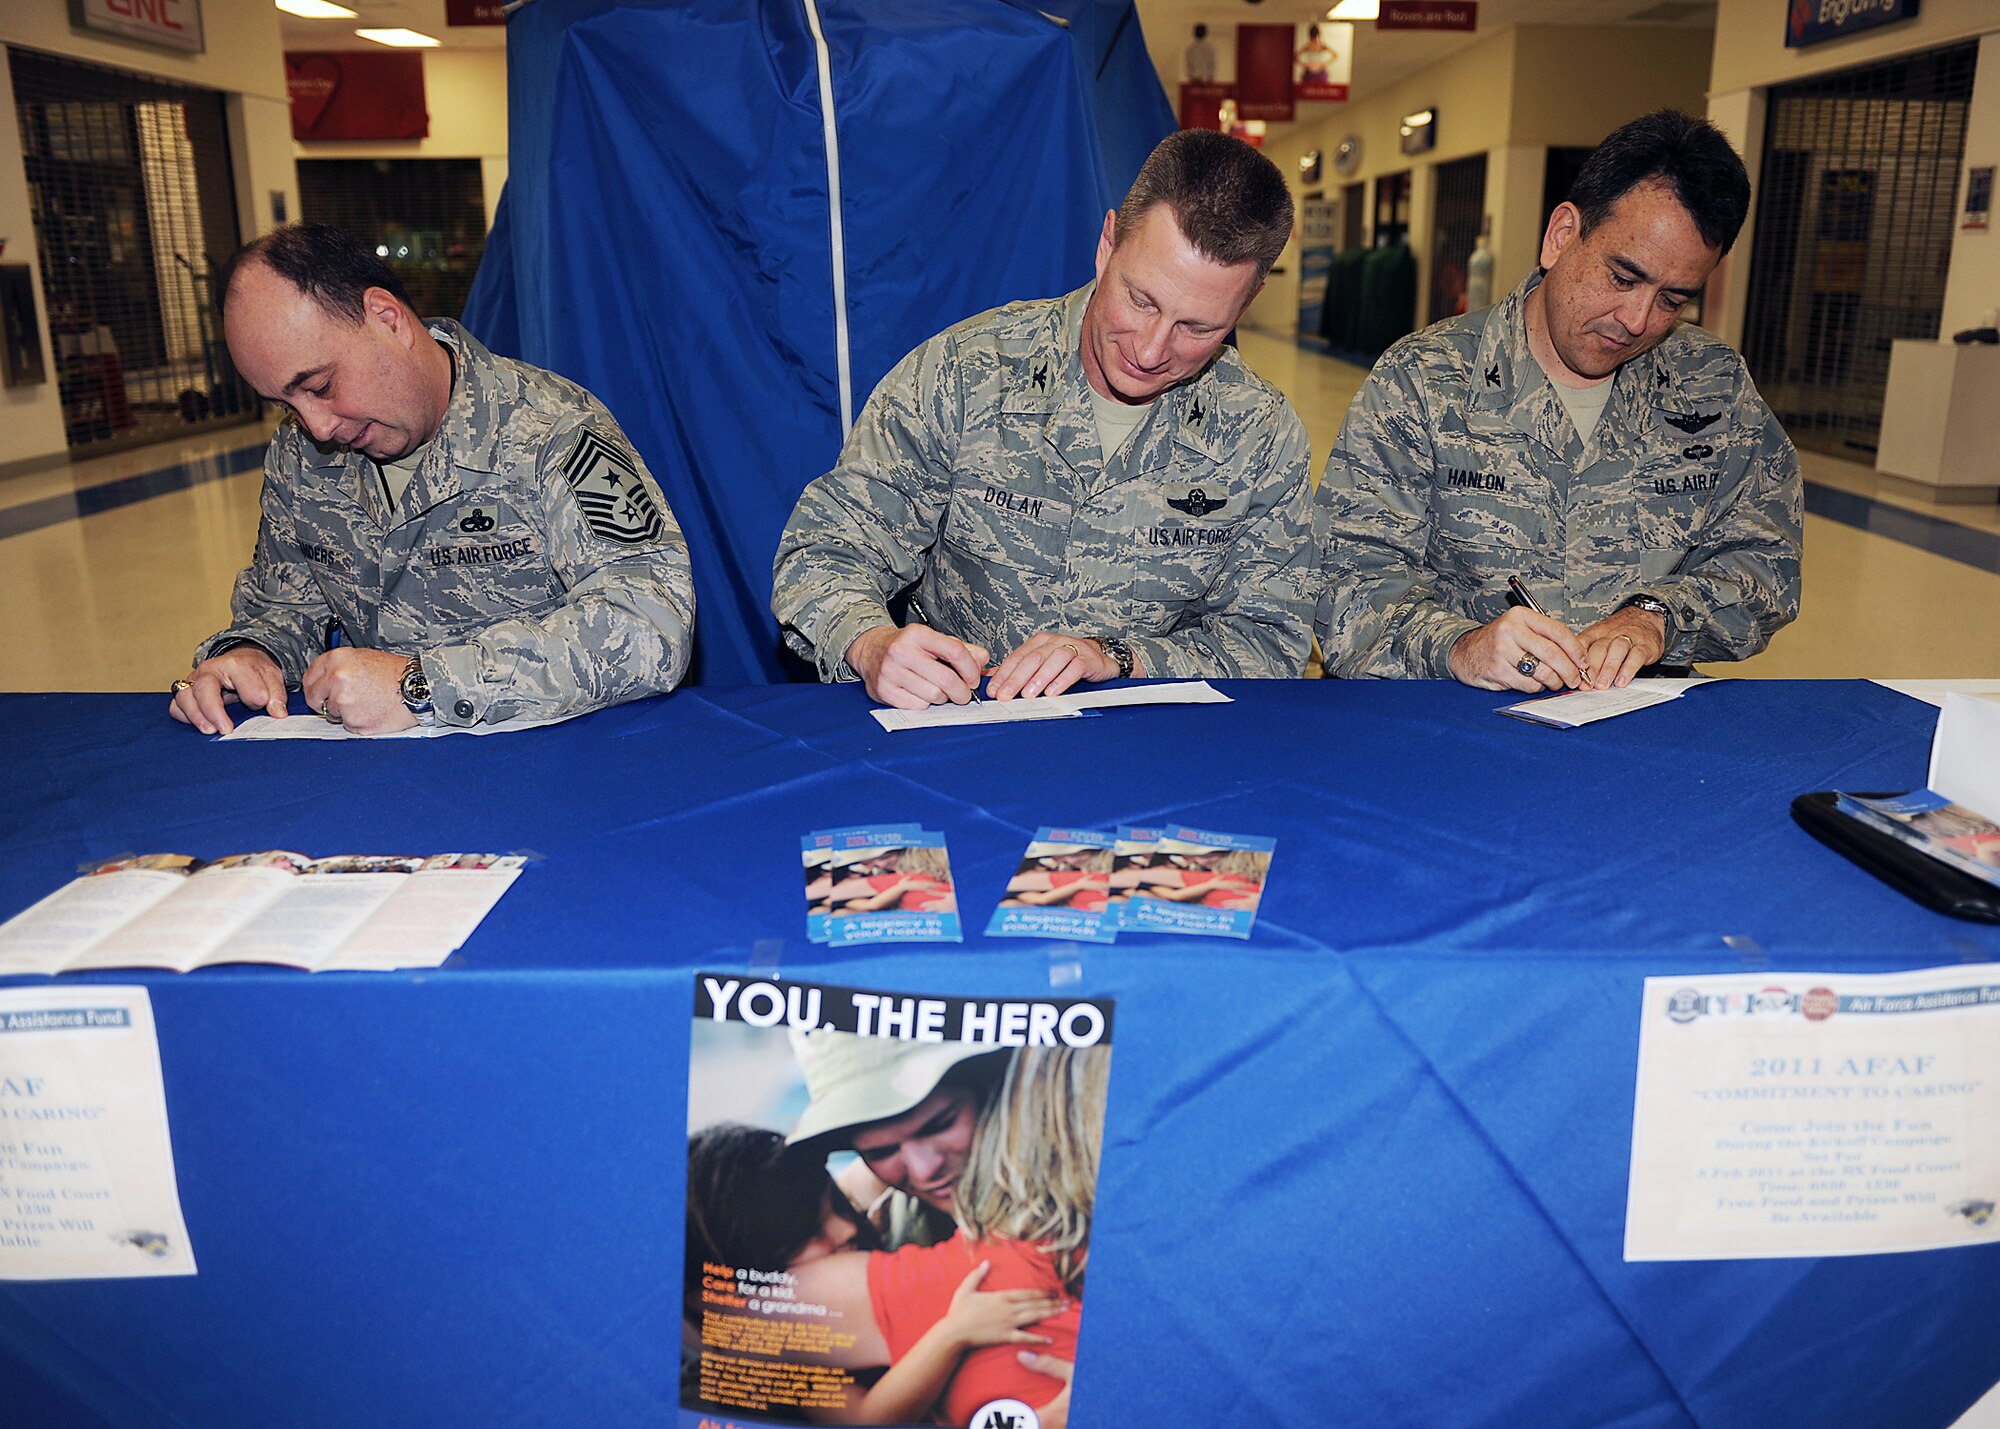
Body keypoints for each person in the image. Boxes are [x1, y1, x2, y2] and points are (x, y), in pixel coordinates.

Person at [772, 129, 1315, 710]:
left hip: (1155, 758)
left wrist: (1121, 659)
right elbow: (824, 551)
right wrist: (871, 643)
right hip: (960, 736)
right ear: (1107, 243)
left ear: (1246, 303)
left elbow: (1269, 643)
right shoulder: (967, 373)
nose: (1153, 350)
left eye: (1198, 328)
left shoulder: (1261, 436)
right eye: (1142, 300)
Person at [1318, 110, 1802, 691]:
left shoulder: (1714, 386)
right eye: (1623, 278)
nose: (1637, 320)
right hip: (1458, 719)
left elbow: (1765, 559)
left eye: (1673, 299)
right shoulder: (1424, 380)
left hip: (1636, 720)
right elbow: (1346, 585)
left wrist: (1660, 618)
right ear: (1561, 235)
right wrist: (1460, 647)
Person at [169, 224, 694, 736]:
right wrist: (250, 655)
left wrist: (422, 685)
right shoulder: (301, 454)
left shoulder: (552, 430)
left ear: (387, 319)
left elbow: (650, 622)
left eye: (322, 385)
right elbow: (284, 604)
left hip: (548, 767)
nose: (317, 425)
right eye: (285, 402)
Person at [785, 1046, 1107, 1427]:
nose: (924, 1171)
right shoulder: (889, 1221)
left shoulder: (1068, 1210)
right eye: (882, 1151)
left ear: (989, 1092)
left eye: (940, 1124)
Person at [682, 1122, 1061, 1425]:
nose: (846, 1230)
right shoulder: (768, 1346)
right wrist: (953, 1333)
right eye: (809, 1234)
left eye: (837, 1208)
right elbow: (868, 1418)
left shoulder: (862, 1220)